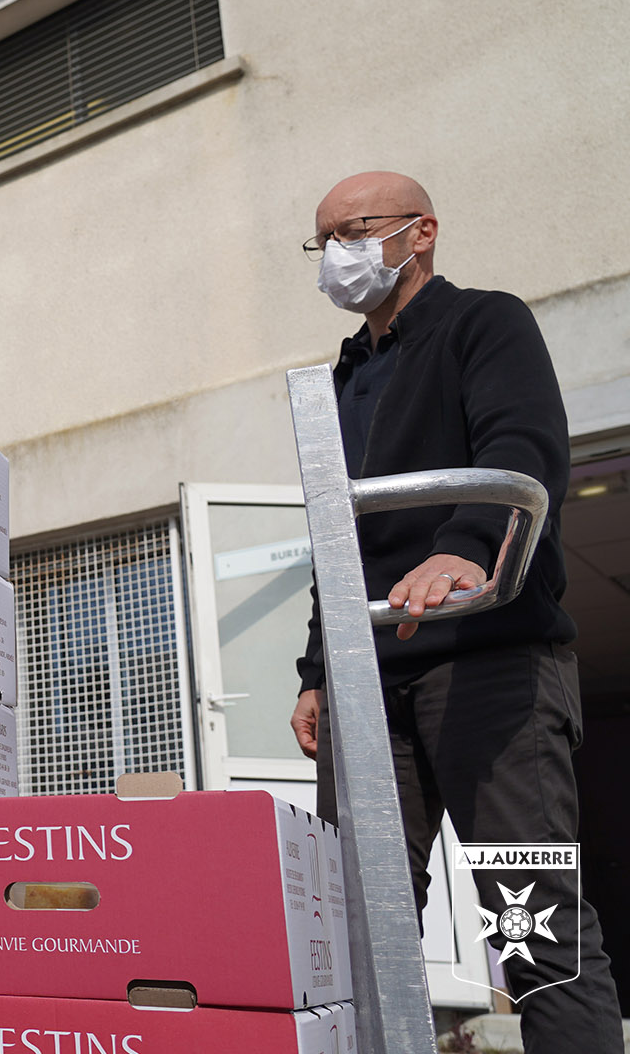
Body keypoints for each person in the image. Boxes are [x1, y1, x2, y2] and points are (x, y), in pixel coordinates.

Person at [289, 172, 617, 1050]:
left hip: (490, 665)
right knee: (359, 926)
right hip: (369, 686)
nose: (337, 258)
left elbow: (525, 444)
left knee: (529, 923)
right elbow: (337, 535)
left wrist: (467, 542)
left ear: (421, 231)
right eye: (323, 243)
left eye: (352, 232)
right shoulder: (343, 380)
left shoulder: (486, 322)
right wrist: (319, 670)